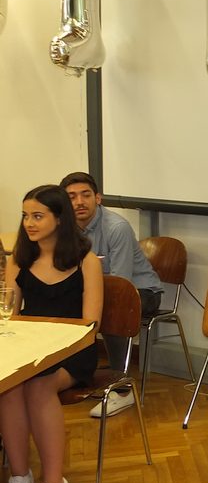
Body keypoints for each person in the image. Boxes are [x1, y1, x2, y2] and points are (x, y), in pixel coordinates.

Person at [0, 185, 103, 483]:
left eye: (37, 216)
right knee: (9, 387)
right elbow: (10, 314)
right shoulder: (19, 260)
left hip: (73, 351)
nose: (29, 223)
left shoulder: (86, 261)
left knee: (39, 385)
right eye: (25, 216)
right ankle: (19, 479)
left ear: (59, 219)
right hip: (31, 347)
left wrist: (47, 335)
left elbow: (90, 326)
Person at [59, 171, 163, 417]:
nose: (79, 202)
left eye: (85, 195)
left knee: (112, 309)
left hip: (140, 292)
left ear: (98, 198)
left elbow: (121, 284)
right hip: (98, 292)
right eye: (71, 197)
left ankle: (122, 390)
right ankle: (75, 376)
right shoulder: (63, 228)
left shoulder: (116, 227)